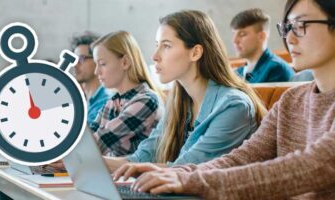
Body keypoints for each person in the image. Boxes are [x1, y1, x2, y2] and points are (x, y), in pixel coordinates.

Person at [127, 1, 335, 199]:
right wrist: (180, 173)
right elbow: (241, 158)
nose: (289, 38)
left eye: (301, 25)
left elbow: (317, 164)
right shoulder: (291, 101)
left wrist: (192, 180)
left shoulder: (234, 102)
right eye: (287, 27)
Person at [107, 10, 267, 173]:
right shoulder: (177, 103)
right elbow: (140, 158)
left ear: (195, 52)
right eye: (157, 45)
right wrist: (93, 162)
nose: (155, 56)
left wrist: (136, 169)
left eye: (166, 46)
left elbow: (189, 170)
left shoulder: (234, 106)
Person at [90, 31, 164, 157]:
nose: (96, 71)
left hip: (138, 176)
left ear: (125, 62)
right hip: (116, 175)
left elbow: (100, 142)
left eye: (102, 64)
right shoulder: (112, 102)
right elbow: (89, 136)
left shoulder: (147, 101)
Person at [232, 8, 295, 83]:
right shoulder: (239, 72)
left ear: (261, 36)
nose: (234, 41)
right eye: (233, 34)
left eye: (242, 34)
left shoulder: (276, 70)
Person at [71, 32, 111, 127]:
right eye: (74, 59)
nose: (75, 65)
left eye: (81, 59)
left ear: (98, 60)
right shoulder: (84, 102)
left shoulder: (106, 102)